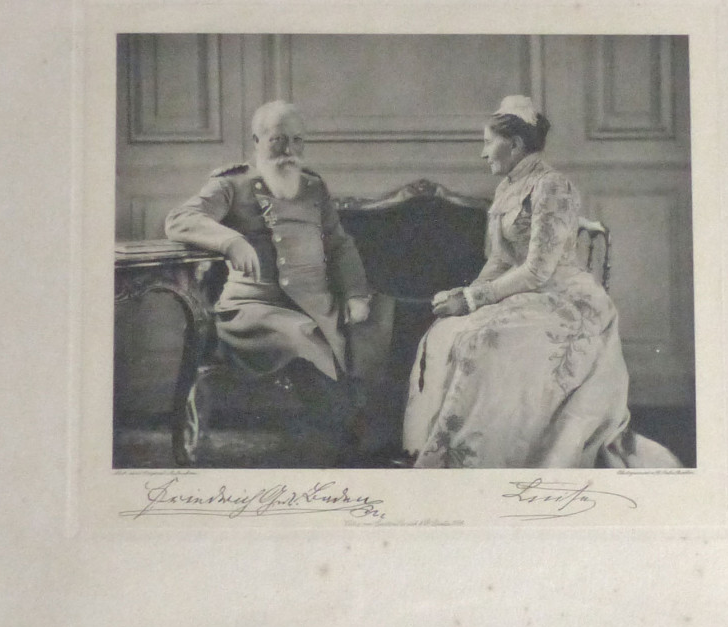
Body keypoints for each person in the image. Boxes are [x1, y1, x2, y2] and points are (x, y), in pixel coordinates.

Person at [403, 95, 680, 469]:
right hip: (525, 295)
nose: (483, 154)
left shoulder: (553, 187)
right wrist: (464, 295)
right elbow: (501, 259)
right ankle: (459, 455)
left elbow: (538, 271)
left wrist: (472, 300)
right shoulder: (506, 190)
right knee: (447, 331)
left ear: (514, 145)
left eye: (488, 143)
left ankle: (492, 457)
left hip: (568, 301)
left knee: (484, 341)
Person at [164, 100, 371, 447]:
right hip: (253, 311)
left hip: (317, 303)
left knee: (374, 328)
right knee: (304, 336)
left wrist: (355, 294)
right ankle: (342, 445)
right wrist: (230, 241)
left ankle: (357, 438)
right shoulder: (231, 185)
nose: (289, 150)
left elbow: (339, 245)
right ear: (257, 141)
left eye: (297, 140)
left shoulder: (314, 187)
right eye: (278, 140)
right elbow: (179, 219)